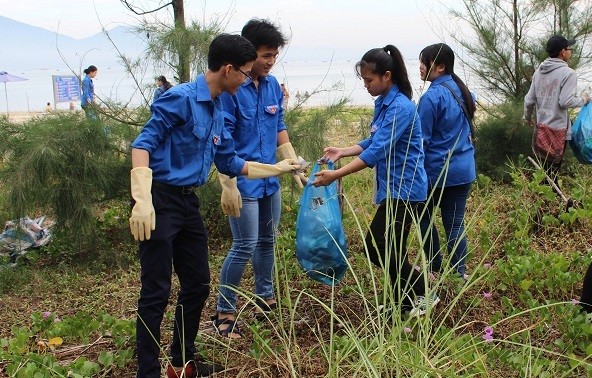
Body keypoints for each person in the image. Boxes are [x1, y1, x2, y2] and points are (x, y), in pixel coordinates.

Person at [129, 33, 300, 378]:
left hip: (187, 203)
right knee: (156, 291)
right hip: (160, 200)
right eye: (245, 71)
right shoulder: (179, 99)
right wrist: (142, 199)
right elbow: (142, 145)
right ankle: (146, 372)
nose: (249, 77)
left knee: (197, 285)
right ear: (227, 69)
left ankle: (181, 360)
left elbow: (229, 160)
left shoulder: (221, 104)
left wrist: (278, 167)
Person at [312, 45, 438, 317]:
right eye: (364, 80)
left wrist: (335, 174)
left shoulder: (401, 107)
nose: (366, 85)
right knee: (389, 249)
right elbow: (374, 139)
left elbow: (376, 151)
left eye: (369, 80)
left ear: (387, 76)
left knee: (379, 247)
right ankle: (401, 304)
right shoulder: (385, 103)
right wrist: (343, 151)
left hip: (406, 190)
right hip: (394, 188)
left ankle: (424, 291)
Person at [214, 19, 306, 339]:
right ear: (249, 53)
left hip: (271, 179)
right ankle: (224, 311)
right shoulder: (231, 89)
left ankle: (264, 299)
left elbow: (278, 126)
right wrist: (227, 182)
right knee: (244, 245)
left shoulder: (271, 85)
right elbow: (221, 137)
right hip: (243, 180)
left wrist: (292, 163)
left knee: (267, 241)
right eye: (265, 55)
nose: (270, 62)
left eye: (274, 56)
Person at [417, 43, 476, 279]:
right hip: (463, 169)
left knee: (424, 220)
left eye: (425, 62)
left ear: (440, 67)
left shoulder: (431, 98)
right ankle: (459, 273)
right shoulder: (465, 92)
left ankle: (433, 268)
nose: (420, 67)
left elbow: (421, 141)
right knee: (455, 225)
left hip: (436, 172)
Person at [524, 35, 590, 187]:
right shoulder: (568, 73)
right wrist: (583, 100)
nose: (570, 52)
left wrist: (527, 118)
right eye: (569, 49)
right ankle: (551, 204)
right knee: (553, 172)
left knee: (543, 171)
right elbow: (565, 101)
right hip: (557, 131)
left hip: (541, 129)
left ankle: (542, 201)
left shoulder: (539, 71)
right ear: (562, 52)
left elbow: (529, 100)